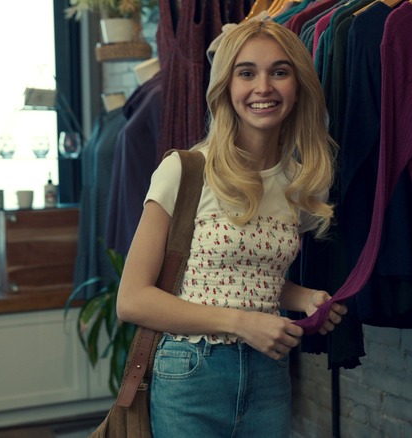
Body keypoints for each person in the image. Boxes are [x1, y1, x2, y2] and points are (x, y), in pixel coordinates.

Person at [116, 15, 347, 438]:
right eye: (247, 73)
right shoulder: (184, 171)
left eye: (279, 71)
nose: (264, 87)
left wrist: (305, 297)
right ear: (225, 88)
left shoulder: (298, 181)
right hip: (191, 372)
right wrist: (242, 322)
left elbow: (246, 278)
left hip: (268, 372)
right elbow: (132, 300)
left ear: (297, 89)